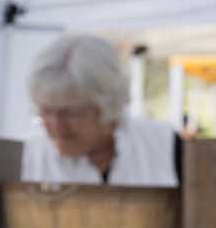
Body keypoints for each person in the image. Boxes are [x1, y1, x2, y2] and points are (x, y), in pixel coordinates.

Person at [22, 33, 179, 187]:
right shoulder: (26, 159)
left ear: (109, 105)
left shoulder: (165, 146)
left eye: (70, 113)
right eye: (46, 111)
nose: (56, 126)